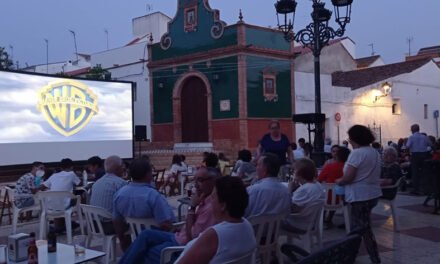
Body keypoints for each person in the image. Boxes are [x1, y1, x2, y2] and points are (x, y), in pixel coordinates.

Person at [119, 167, 219, 264]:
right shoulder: (155, 195)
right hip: (177, 236)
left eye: (200, 180)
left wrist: (191, 208)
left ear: (213, 181)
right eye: (195, 180)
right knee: (145, 236)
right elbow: (167, 222)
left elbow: (192, 238)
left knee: (142, 252)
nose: (195, 185)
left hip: (181, 244)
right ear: (149, 175)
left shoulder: (120, 192)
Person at [175, 176, 257, 264]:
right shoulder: (247, 226)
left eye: (213, 197)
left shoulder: (214, 235)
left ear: (223, 206)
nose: (210, 201)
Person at [336, 125, 382, 264]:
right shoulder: (374, 152)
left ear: (354, 138)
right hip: (372, 194)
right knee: (363, 228)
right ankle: (359, 256)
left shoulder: (356, 154)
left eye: (349, 137)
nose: (349, 140)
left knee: (360, 229)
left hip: (359, 195)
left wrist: (340, 181)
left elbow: (349, 177)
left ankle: (354, 257)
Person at [113, 158, 176, 251]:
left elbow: (117, 221)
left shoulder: (119, 194)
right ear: (148, 174)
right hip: (158, 244)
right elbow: (166, 224)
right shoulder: (154, 196)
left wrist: (123, 242)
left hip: (135, 241)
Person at [282, 158, 325, 233]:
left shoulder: (304, 190)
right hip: (310, 222)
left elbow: (291, 208)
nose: (293, 173)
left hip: (299, 224)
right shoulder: (317, 185)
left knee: (273, 222)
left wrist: (289, 191)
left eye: (294, 171)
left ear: (300, 174)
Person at [40, 158, 81, 232]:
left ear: (61, 167)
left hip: (50, 206)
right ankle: (66, 225)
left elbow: (42, 187)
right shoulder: (72, 174)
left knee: (58, 200)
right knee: (75, 198)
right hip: (65, 205)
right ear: (71, 167)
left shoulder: (54, 175)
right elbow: (79, 183)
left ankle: (60, 226)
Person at [244, 153, 290, 217]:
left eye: (258, 165)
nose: (256, 168)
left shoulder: (253, 190)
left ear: (264, 170)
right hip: (279, 226)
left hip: (253, 226)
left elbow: (243, 213)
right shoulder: (286, 191)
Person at [318, 147, 350, 226]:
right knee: (335, 194)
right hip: (343, 198)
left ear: (338, 156)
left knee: (324, 194)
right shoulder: (349, 168)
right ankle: (329, 219)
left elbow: (319, 180)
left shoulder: (329, 166)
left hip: (327, 198)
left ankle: (322, 220)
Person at [406, 124, 432, 195]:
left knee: (415, 172)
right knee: (424, 172)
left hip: (415, 155)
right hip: (424, 155)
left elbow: (407, 146)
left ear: (412, 130)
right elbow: (431, 144)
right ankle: (424, 189)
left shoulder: (411, 137)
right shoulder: (424, 137)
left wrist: (408, 154)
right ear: (418, 129)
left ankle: (416, 189)